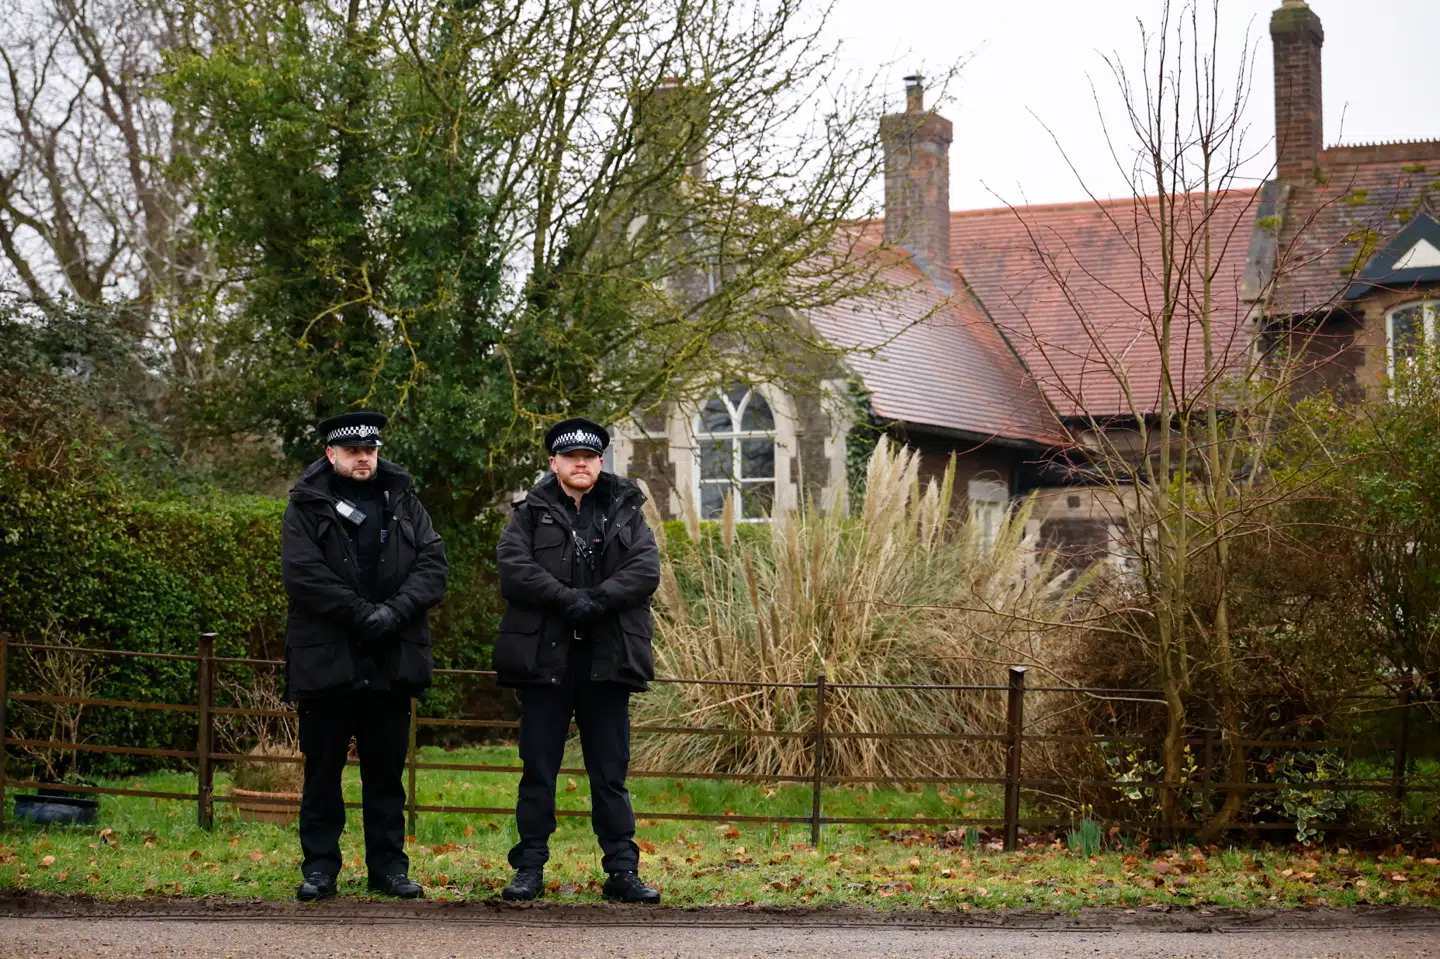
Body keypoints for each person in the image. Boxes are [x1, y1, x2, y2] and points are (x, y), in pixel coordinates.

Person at [281, 411, 448, 902]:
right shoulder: (306, 506)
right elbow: (303, 575)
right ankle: (320, 869)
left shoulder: (405, 501)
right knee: (322, 773)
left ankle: (389, 869)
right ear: (331, 454)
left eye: (370, 450)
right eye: (353, 451)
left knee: (385, 775)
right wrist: (361, 614)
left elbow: (433, 568)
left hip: (390, 660)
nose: (363, 458)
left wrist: (392, 614)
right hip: (327, 659)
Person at [494, 417, 661, 904]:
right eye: (571, 458)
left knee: (610, 772)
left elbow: (645, 569)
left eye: (588, 458)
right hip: (546, 660)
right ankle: (529, 867)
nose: (580, 464)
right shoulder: (528, 513)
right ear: (555, 463)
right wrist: (568, 600)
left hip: (607, 661)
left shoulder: (627, 510)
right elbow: (514, 569)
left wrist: (599, 599)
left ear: (600, 463)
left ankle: (622, 871)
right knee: (538, 769)